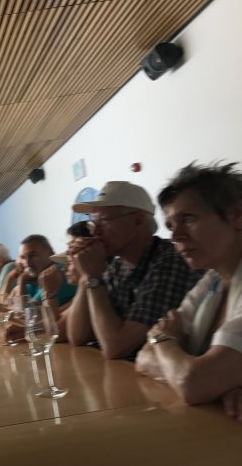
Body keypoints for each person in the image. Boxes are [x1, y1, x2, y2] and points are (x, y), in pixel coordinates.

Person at [134, 163, 242, 416]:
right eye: (171, 226)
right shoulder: (212, 280)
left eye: (188, 218)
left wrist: (163, 340)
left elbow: (192, 383)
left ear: (237, 215)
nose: (176, 236)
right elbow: (142, 358)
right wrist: (218, 383)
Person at [67, 181, 202, 360]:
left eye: (104, 220)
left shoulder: (171, 260)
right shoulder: (116, 267)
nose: (96, 231)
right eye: (93, 223)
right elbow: (77, 336)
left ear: (138, 220)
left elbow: (116, 346)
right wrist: (86, 276)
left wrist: (93, 278)